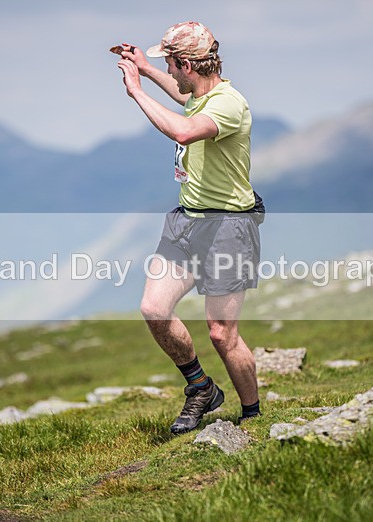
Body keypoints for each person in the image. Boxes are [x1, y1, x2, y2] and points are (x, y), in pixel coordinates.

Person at [116, 21, 264, 434]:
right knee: (153, 309)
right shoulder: (199, 94)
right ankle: (201, 387)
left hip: (228, 228)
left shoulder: (227, 104)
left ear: (187, 64)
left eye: (170, 63)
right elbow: (182, 94)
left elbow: (182, 130)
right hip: (186, 221)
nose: (171, 70)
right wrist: (146, 68)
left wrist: (136, 92)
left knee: (222, 334)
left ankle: (252, 417)